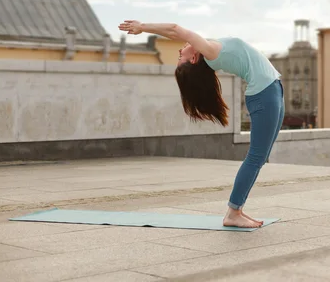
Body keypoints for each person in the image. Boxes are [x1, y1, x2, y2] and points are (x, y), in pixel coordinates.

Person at [118, 21, 284, 228]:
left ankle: (237, 210)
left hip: (272, 90)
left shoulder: (208, 48)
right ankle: (233, 212)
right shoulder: (210, 51)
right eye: (181, 57)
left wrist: (144, 27)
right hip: (264, 95)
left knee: (260, 157)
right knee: (256, 157)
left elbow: (175, 33)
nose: (180, 49)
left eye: (179, 56)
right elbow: (175, 29)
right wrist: (142, 27)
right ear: (195, 58)